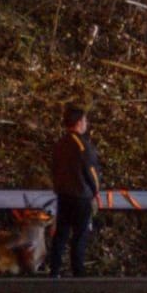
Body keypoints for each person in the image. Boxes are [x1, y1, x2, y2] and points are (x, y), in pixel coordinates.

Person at [48, 103, 102, 277]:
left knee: (61, 235)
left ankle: (54, 272)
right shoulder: (82, 146)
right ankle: (78, 274)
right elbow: (92, 172)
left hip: (63, 196)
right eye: (85, 120)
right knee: (79, 237)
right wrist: (96, 191)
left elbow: (54, 169)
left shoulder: (59, 144)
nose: (86, 123)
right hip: (81, 197)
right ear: (79, 122)